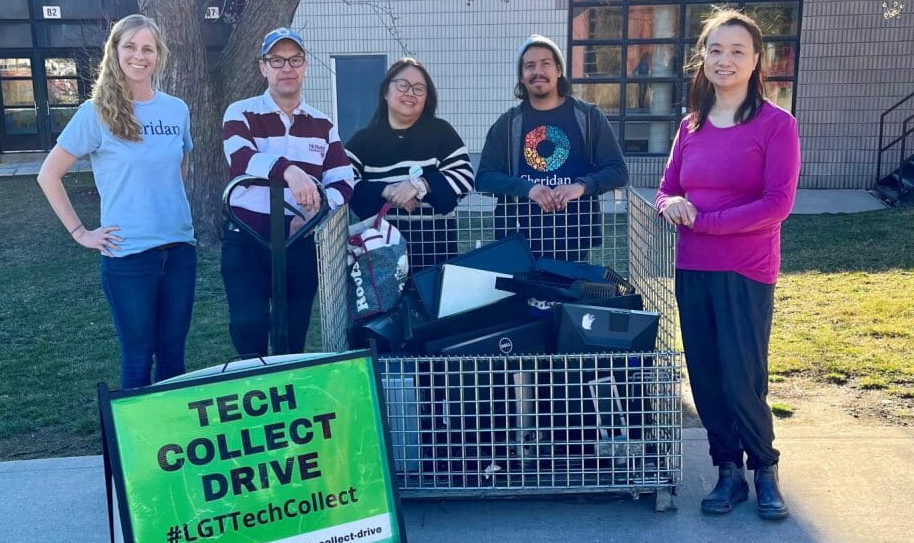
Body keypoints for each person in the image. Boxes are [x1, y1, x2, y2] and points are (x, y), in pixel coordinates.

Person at [654, 8, 801, 520]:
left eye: (738, 50)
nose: (725, 59)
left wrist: (706, 221)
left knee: (743, 377)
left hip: (745, 269)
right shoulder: (690, 125)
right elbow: (667, 189)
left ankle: (764, 468)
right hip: (693, 268)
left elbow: (776, 204)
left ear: (757, 59)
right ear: (703, 56)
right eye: (716, 49)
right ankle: (727, 472)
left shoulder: (776, 125)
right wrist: (670, 205)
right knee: (708, 376)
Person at [37, 14, 196, 389]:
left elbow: (182, 161)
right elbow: (48, 174)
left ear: (159, 55)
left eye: (147, 48)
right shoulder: (94, 113)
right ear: (115, 51)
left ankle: (171, 439)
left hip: (179, 252)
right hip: (128, 257)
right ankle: (135, 447)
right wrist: (80, 232)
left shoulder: (177, 109)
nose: (139, 56)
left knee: (174, 356)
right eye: (130, 46)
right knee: (139, 358)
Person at [221, 27, 354, 357]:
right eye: (276, 60)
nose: (286, 68)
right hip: (247, 240)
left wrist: (316, 211)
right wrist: (290, 171)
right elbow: (240, 159)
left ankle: (287, 396)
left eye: (295, 60)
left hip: (299, 242)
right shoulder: (241, 112)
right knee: (248, 325)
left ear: (305, 66)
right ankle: (254, 387)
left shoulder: (323, 124)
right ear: (262, 67)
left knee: (293, 333)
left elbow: (343, 181)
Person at [476, 35, 628, 261]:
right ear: (521, 77)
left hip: (574, 239)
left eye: (545, 63)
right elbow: (484, 178)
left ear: (558, 70)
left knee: (568, 296)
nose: (538, 71)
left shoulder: (588, 117)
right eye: (530, 66)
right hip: (519, 241)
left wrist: (581, 186)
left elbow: (618, 172)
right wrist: (528, 189)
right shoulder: (507, 124)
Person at [345, 57, 474, 272]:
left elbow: (465, 177)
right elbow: (343, 181)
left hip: (434, 255)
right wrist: (387, 191)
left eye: (419, 88)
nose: (410, 93)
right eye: (402, 85)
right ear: (386, 92)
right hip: (380, 259)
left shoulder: (441, 133)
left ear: (427, 98)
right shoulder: (364, 140)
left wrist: (419, 184)